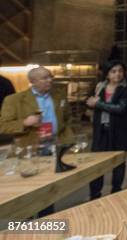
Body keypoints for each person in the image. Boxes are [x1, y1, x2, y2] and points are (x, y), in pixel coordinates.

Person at [0, 66, 74, 216]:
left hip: (53, 148)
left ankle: (45, 222)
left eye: (50, 77)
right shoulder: (15, 100)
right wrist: (25, 122)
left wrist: (65, 136)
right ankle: (27, 225)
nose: (50, 80)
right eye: (45, 78)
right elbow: (3, 125)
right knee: (28, 191)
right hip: (29, 150)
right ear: (32, 81)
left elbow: (67, 118)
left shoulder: (59, 96)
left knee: (48, 190)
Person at [86, 60, 127, 200]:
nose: (118, 74)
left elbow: (121, 108)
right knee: (96, 164)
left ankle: (116, 192)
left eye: (120, 70)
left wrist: (98, 103)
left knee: (118, 163)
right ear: (107, 74)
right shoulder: (100, 86)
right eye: (113, 71)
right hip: (100, 131)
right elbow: (89, 101)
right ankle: (94, 195)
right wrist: (91, 103)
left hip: (120, 132)